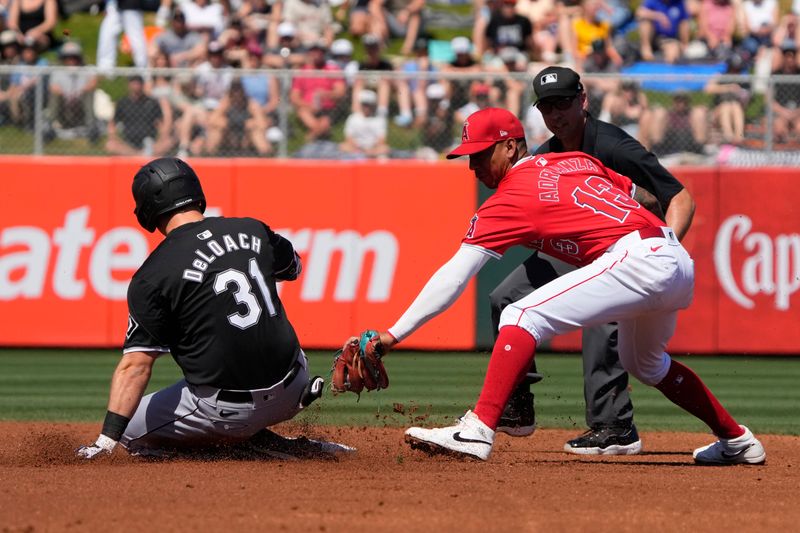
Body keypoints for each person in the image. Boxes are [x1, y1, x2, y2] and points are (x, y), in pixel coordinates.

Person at [352, 106, 765, 466]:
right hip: (671, 255)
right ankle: (738, 440)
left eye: (479, 155)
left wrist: (392, 335)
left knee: (520, 313)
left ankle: (478, 429)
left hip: (637, 260)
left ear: (511, 147)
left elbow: (455, 274)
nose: (472, 167)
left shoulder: (511, 195)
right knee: (644, 362)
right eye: (467, 158)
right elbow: (649, 200)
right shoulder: (575, 161)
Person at [75, 157, 349, 460]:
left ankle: (241, 451)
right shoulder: (252, 229)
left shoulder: (152, 276)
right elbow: (293, 267)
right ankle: (267, 440)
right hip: (295, 386)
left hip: (226, 412)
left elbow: (137, 365)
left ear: (147, 209)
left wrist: (105, 440)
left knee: (129, 433)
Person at [491, 66, 697, 455]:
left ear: (582, 101)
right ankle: (518, 409)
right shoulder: (545, 155)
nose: (556, 114)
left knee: (602, 322)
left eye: (563, 103)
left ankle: (616, 426)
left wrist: (666, 248)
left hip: (627, 250)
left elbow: (680, 197)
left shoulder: (614, 146)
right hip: (577, 249)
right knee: (504, 297)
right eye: (547, 106)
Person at [106, 75, 174, 156]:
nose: (136, 86)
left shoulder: (151, 102)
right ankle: (139, 155)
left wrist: (162, 137)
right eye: (134, 83)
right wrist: (113, 136)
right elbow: (113, 123)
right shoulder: (123, 103)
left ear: (142, 85)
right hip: (128, 143)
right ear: (129, 85)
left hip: (150, 141)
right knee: (111, 145)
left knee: (168, 143)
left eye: (138, 83)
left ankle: (144, 154)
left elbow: (160, 123)